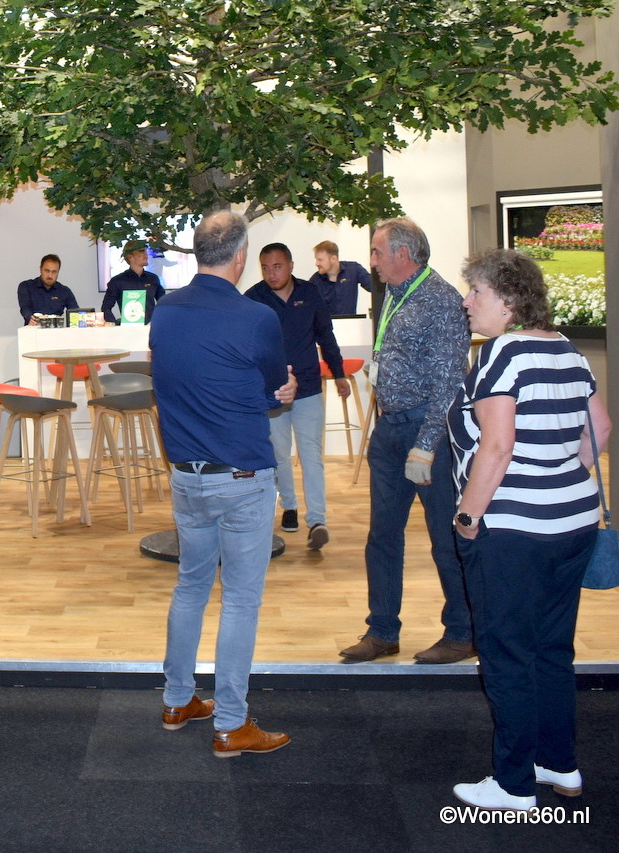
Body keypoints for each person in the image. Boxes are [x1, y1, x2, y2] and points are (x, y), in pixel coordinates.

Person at [448, 248, 609, 810]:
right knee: (551, 650)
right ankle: (559, 764)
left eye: (477, 292)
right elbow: (600, 429)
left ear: (510, 302)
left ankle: (513, 785)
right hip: (574, 521)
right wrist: (560, 477)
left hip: (514, 531)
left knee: (507, 652)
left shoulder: (502, 353)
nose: (467, 302)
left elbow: (496, 446)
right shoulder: (567, 349)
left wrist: (467, 517)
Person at [151, 211, 297, 757]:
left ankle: (177, 700)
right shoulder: (256, 317)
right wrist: (277, 394)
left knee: (190, 586)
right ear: (240, 256)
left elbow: (181, 381)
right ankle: (232, 724)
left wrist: (260, 394)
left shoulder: (165, 311)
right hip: (241, 478)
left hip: (186, 477)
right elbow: (273, 389)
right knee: (239, 600)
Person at [339, 217, 474, 664]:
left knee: (444, 538)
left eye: (377, 252)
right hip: (390, 429)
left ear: (402, 254)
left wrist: (427, 444)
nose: (372, 261)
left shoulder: (441, 300)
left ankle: (462, 633)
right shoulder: (395, 295)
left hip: (427, 434)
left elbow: (450, 384)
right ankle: (382, 631)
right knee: (382, 536)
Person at [245, 243, 349, 549]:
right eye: (265, 268)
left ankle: (317, 520)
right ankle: (289, 506)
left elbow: (326, 336)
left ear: (290, 266)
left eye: (277, 267)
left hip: (308, 388)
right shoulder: (253, 299)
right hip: (272, 392)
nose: (271, 274)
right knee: (279, 454)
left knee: (311, 455)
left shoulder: (310, 293)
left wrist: (339, 373)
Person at [101, 240, 165, 324]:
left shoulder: (153, 279)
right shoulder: (117, 281)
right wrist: (114, 326)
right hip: (127, 329)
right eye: (141, 251)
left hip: (150, 328)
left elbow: (164, 303)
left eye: (146, 251)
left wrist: (159, 322)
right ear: (130, 256)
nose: (146, 255)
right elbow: (106, 308)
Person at [312, 240, 373, 315]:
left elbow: (374, 287)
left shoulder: (353, 269)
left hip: (350, 322)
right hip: (326, 322)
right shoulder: (315, 281)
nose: (316, 263)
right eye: (316, 260)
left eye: (320, 260)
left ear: (333, 259)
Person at [17, 254, 78, 325]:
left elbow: (75, 313)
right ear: (40, 269)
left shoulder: (65, 291)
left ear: (58, 272)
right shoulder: (26, 286)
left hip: (55, 330)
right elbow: (25, 308)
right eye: (47, 271)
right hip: (33, 328)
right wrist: (30, 318)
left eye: (54, 272)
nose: (50, 276)